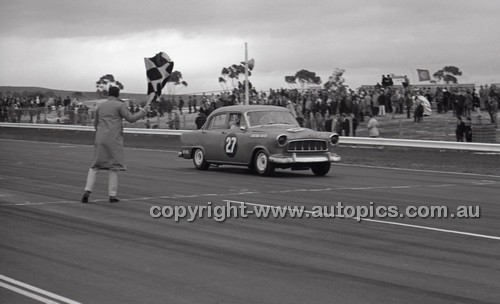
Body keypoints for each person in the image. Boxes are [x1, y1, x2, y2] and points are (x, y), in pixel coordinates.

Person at [81, 86, 150, 203]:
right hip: (113, 139)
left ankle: (87, 190)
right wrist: (143, 111)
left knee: (95, 166)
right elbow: (131, 118)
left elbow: (96, 124)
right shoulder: (120, 105)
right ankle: (112, 195)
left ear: (108, 94)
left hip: (100, 138)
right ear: (118, 94)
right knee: (113, 167)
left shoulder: (100, 105)